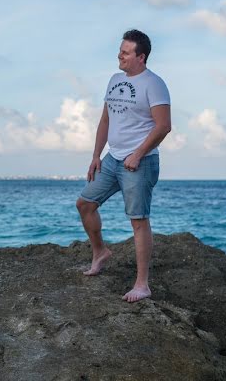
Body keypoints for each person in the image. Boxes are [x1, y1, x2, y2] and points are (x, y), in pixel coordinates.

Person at [76, 29, 172, 303]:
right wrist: (97, 155)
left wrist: (139, 153)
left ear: (141, 57)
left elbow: (163, 126)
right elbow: (105, 121)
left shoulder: (154, 84)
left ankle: (142, 284)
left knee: (138, 221)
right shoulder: (115, 80)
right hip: (112, 159)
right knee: (85, 204)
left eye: (126, 52)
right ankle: (100, 253)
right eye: (120, 50)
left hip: (138, 162)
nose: (120, 55)